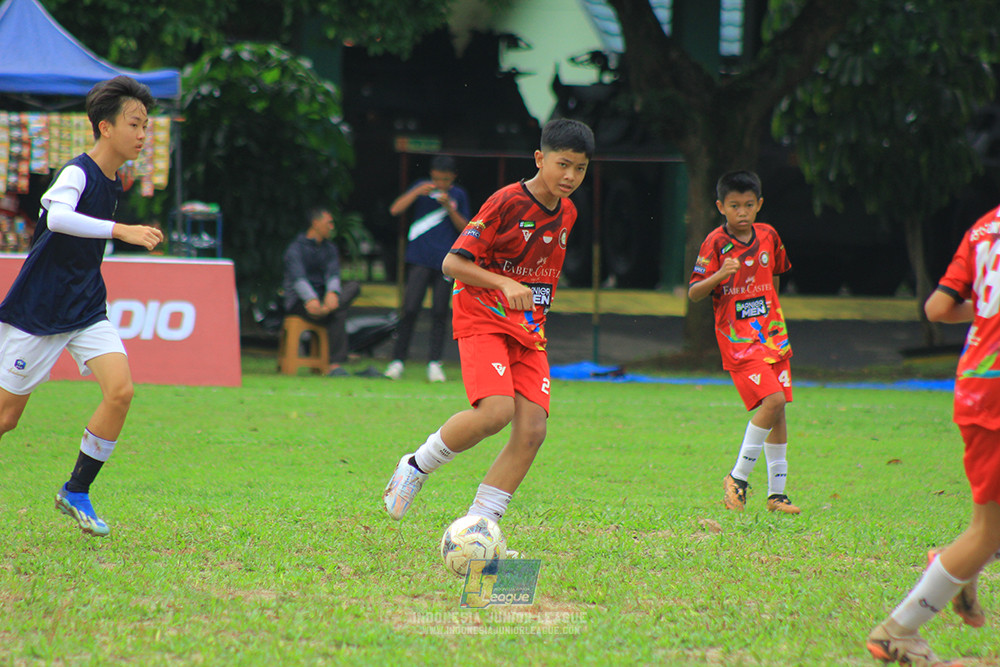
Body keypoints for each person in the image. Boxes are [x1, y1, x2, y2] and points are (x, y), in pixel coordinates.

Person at [381, 118, 595, 540]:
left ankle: (479, 527)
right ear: (540, 158)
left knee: (533, 430)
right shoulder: (506, 202)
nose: (570, 176)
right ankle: (416, 465)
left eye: (581, 168)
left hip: (527, 328)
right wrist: (504, 282)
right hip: (482, 314)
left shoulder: (568, 211)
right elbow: (452, 263)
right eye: (563, 164)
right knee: (496, 413)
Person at [0, 76, 163, 537]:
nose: (142, 135)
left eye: (146, 126)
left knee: (121, 392)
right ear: (105, 127)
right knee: (6, 418)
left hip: (87, 306)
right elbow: (56, 217)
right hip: (40, 309)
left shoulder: (115, 181)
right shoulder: (78, 172)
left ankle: (76, 491)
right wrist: (122, 231)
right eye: (135, 124)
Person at [865, 203, 1000, 665]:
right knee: (987, 532)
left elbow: (938, 308)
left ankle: (957, 565)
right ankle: (895, 631)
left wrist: (985, 312)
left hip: (976, 383)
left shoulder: (985, 227)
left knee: (987, 530)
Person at [688, 170, 800, 515]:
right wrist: (720, 275)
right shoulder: (715, 244)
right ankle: (737, 478)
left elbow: (775, 276)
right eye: (734, 205)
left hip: (772, 337)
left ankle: (777, 495)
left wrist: (773, 319)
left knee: (778, 409)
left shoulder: (768, 236)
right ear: (721, 207)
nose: (742, 212)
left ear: (759, 205)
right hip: (739, 343)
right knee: (774, 400)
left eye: (749, 205)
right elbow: (694, 293)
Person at [384, 155, 470, 382]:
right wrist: (416, 192)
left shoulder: (459, 195)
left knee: (440, 312)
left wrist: (449, 207)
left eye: (444, 179)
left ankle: (434, 363)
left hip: (445, 262)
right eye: (435, 178)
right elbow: (395, 209)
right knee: (409, 308)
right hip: (419, 258)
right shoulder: (421, 190)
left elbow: (466, 228)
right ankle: (397, 361)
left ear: (452, 177)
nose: (439, 183)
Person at [282, 207, 361, 376]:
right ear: (315, 223)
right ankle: (334, 364)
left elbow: (333, 274)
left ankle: (328, 310)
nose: (332, 227)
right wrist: (311, 299)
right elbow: (298, 279)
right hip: (301, 301)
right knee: (339, 311)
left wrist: (332, 293)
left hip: (324, 301)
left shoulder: (330, 248)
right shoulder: (295, 248)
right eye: (329, 223)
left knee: (353, 286)